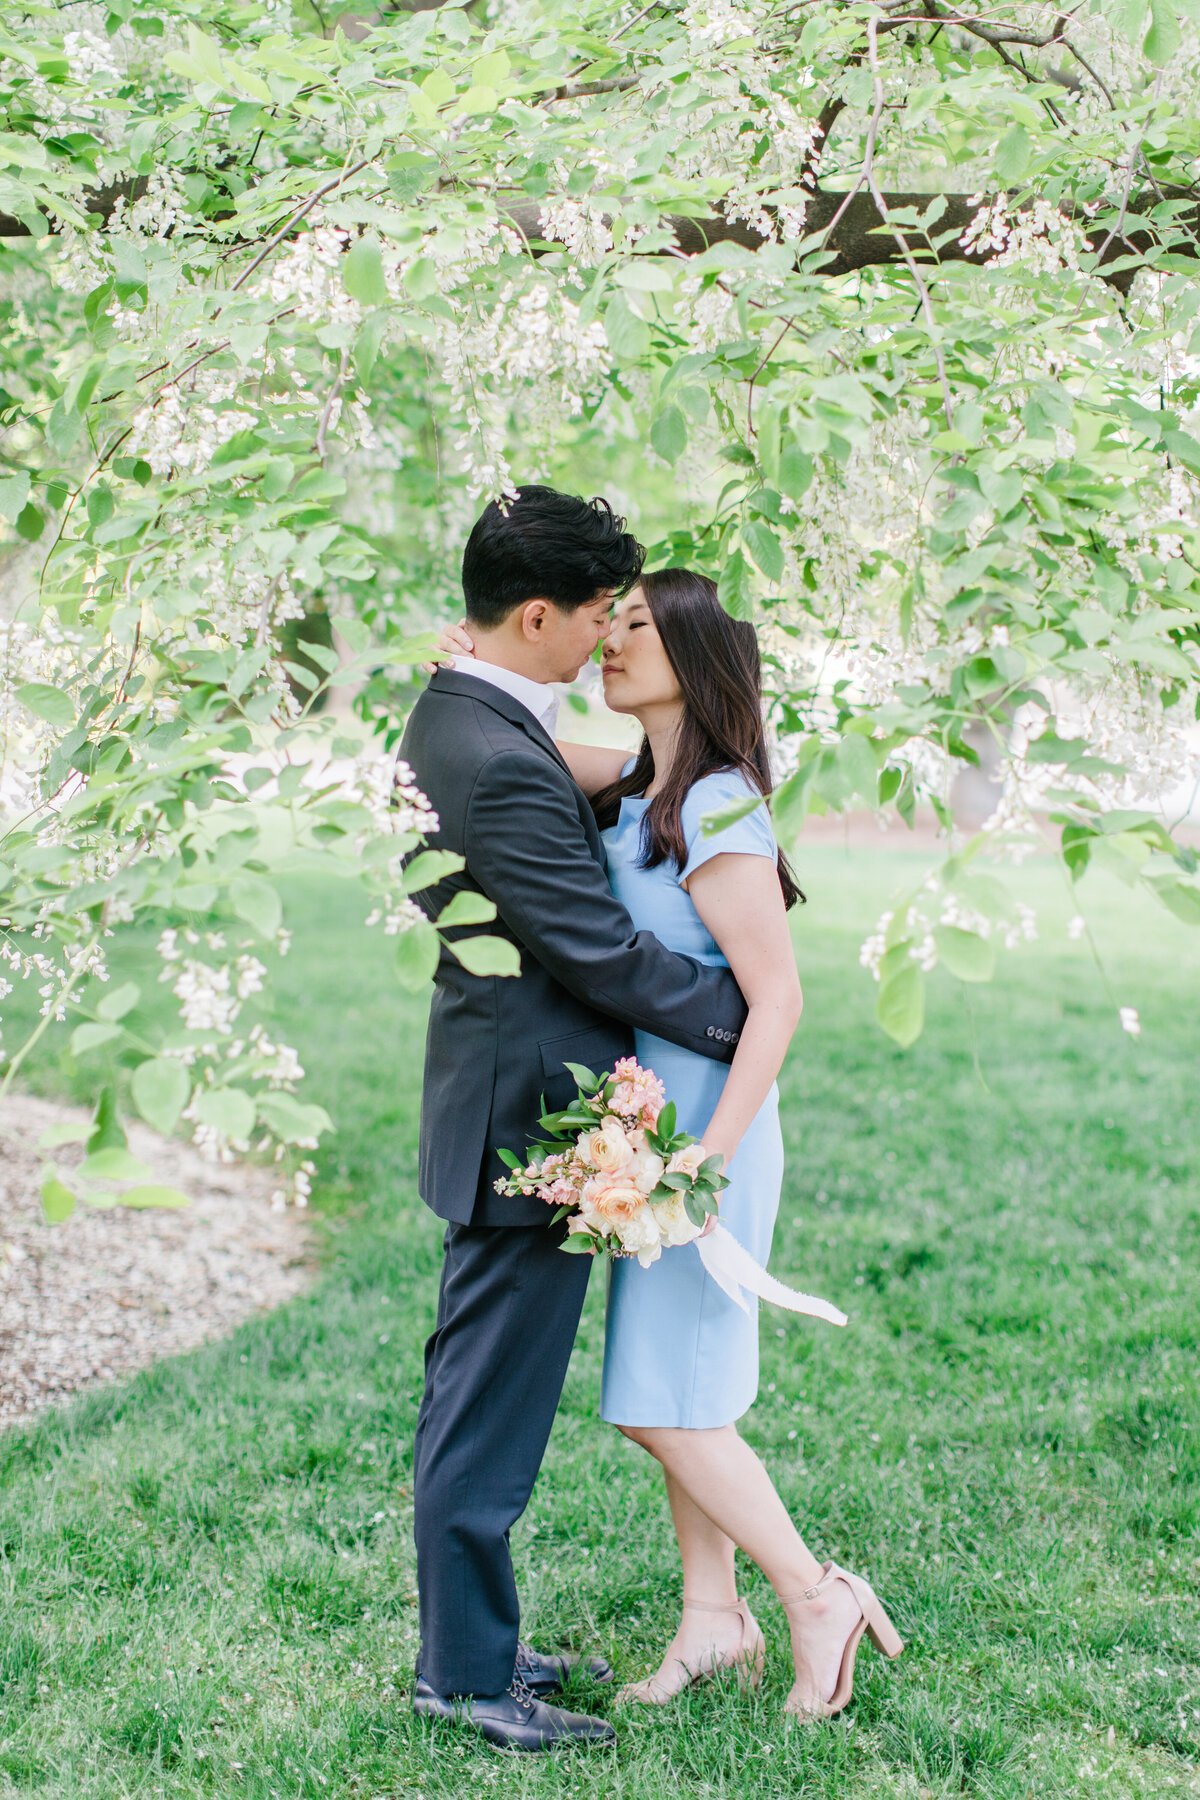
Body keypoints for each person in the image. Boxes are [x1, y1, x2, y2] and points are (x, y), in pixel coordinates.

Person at [435, 565, 903, 1720]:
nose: (609, 641)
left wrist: (708, 1157)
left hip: (707, 1136)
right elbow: (534, 756)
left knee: (662, 1402)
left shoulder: (720, 806)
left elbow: (778, 997)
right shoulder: (652, 782)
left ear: (693, 658)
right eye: (608, 621)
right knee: (687, 1389)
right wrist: (476, 678)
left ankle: (813, 1594)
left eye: (635, 626)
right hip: (655, 1125)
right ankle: (712, 1622)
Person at [400, 487, 749, 1753]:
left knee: (472, 1401)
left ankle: (472, 1647)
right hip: (526, 1128)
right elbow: (594, 948)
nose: (608, 632)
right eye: (599, 611)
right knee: (487, 1421)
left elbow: (603, 789)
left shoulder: (470, 709)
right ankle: (467, 1686)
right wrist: (741, 1009)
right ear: (536, 612)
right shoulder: (496, 756)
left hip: (500, 1098)